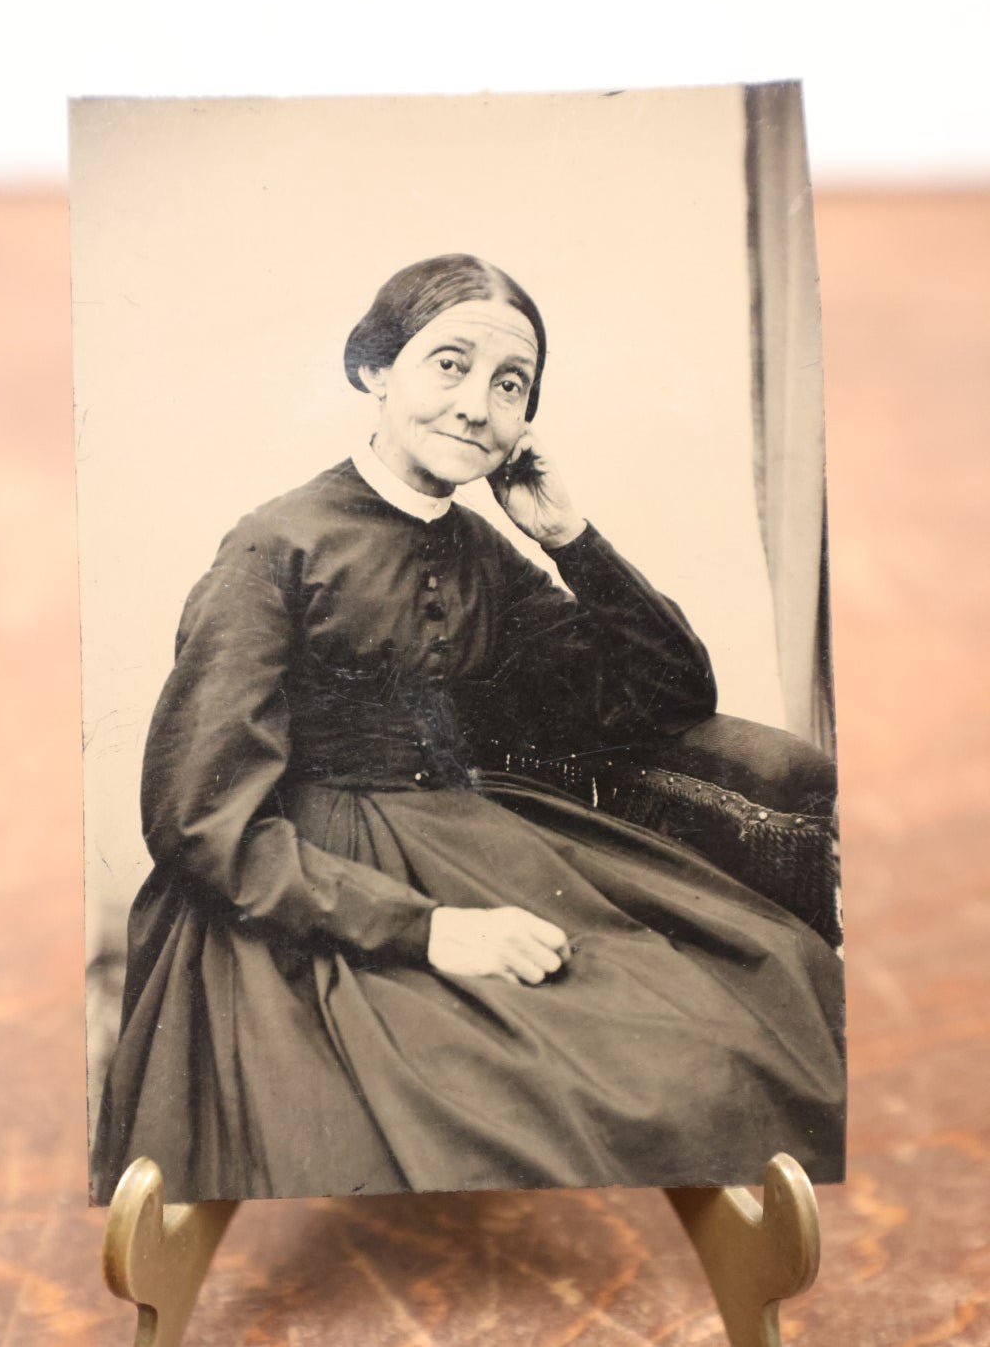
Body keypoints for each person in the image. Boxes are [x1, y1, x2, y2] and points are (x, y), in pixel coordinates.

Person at [91, 254, 845, 1205]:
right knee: (508, 1090)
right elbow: (200, 815)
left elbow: (666, 695)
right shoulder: (276, 545)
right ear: (375, 369)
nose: (477, 406)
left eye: (510, 384)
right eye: (449, 365)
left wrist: (569, 538)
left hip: (473, 841)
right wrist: (428, 930)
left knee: (767, 982)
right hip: (302, 891)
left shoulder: (483, 548)